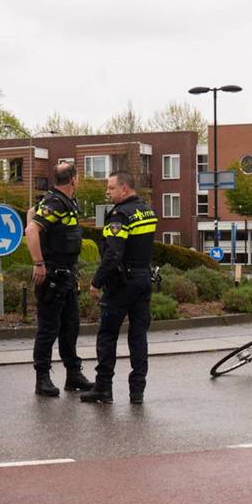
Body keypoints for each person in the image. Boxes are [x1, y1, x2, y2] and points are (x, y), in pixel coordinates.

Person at [80, 170, 157, 405]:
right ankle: (137, 391)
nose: (107, 191)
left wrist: (97, 281)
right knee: (138, 336)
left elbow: (113, 254)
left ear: (124, 189)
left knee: (107, 335)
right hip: (144, 280)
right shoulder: (147, 211)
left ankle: (103, 388)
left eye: (111, 188)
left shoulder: (119, 215)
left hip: (122, 284)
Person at [26, 161, 93, 397]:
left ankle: (73, 374)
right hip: (53, 275)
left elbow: (31, 214)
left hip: (67, 276)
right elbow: (32, 229)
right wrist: (39, 263)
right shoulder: (55, 202)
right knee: (48, 329)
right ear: (74, 179)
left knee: (70, 327)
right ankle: (42, 378)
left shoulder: (65, 201)